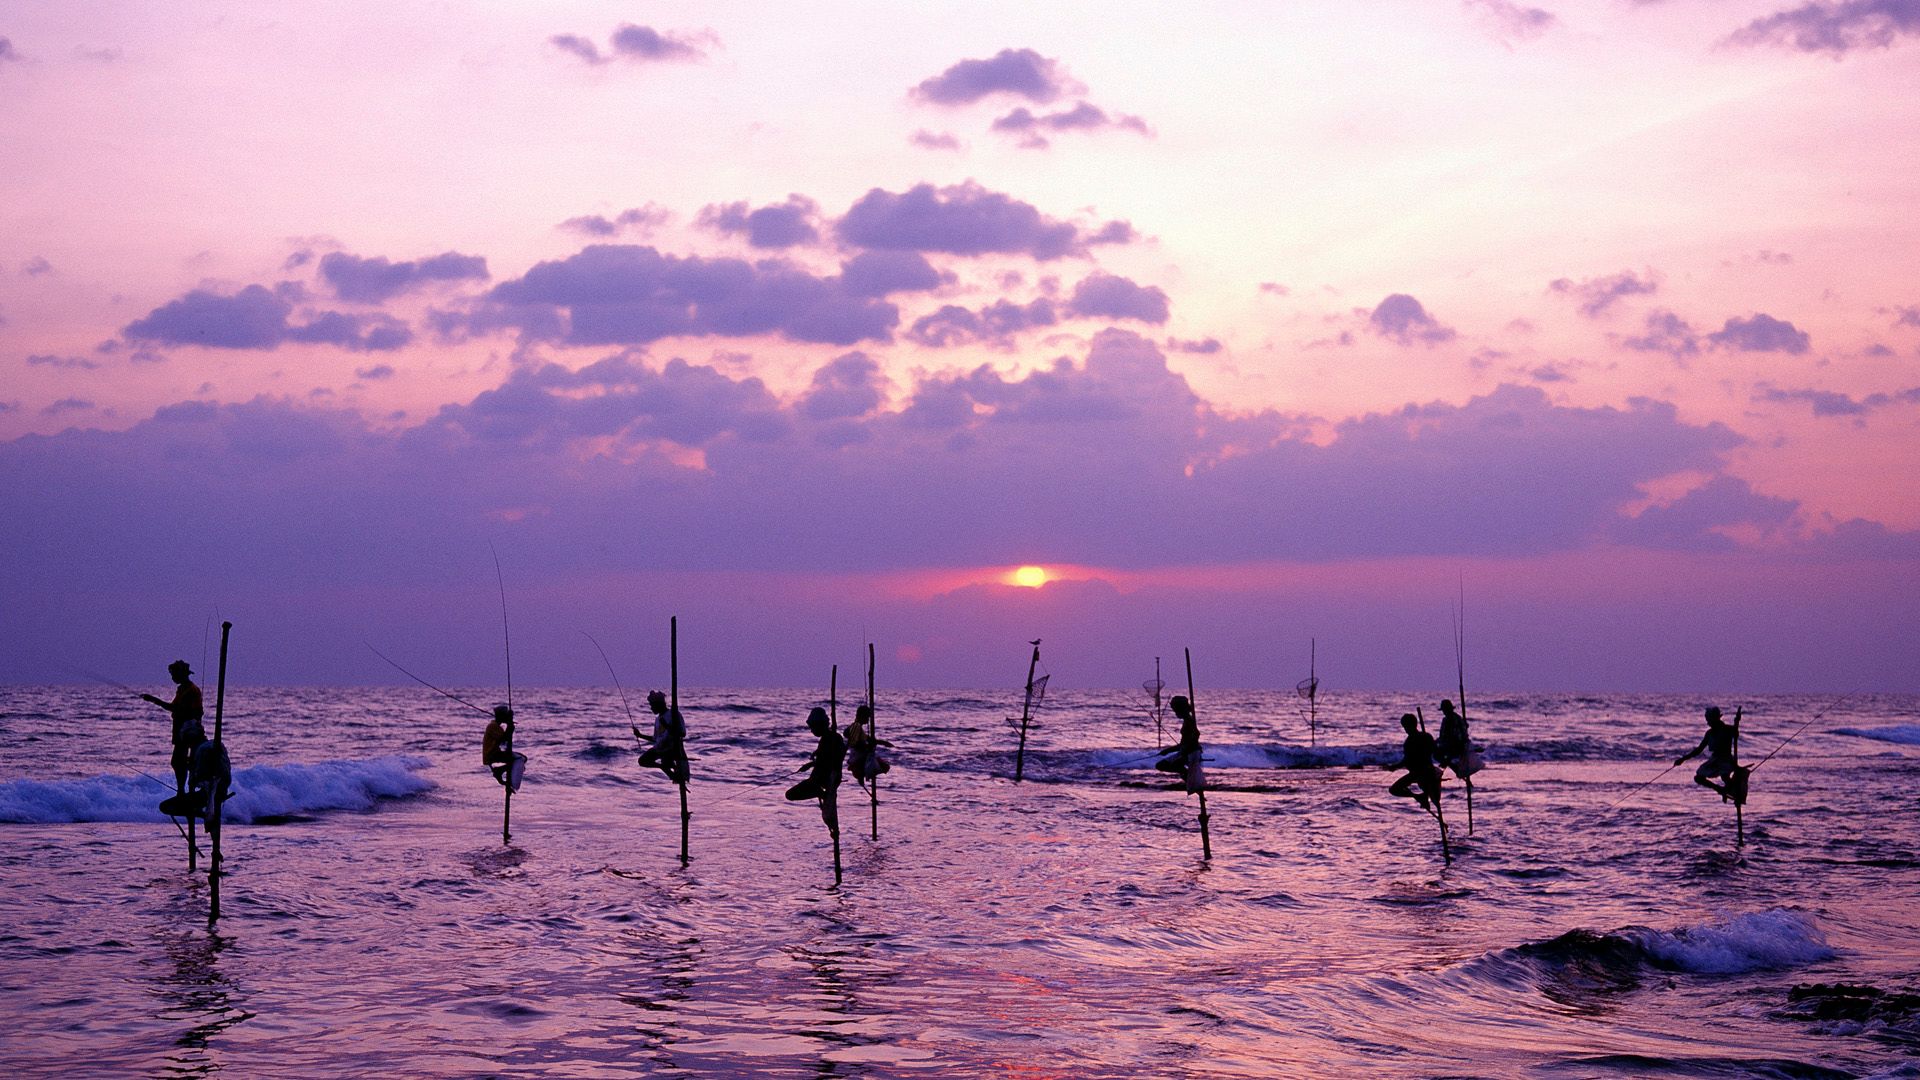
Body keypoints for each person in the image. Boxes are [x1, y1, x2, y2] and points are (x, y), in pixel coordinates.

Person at [141, 660, 205, 792]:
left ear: (182, 674)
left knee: (181, 762)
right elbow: (175, 708)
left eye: (174, 674)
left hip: (189, 732)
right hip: (181, 731)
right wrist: (153, 700)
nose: (172, 677)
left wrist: (154, 700)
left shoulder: (191, 690)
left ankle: (186, 791)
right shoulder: (182, 689)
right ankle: (183, 791)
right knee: (180, 762)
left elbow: (177, 708)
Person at [785, 707, 846, 835]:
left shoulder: (831, 738)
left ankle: (820, 793)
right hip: (822, 779)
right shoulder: (829, 738)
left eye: (813, 727)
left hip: (824, 779)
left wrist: (812, 764)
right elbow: (826, 755)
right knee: (792, 794)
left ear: (821, 725)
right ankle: (820, 793)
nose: (812, 731)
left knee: (790, 794)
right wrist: (815, 758)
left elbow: (831, 760)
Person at [1676, 705, 1745, 803]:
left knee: (1725, 777)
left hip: (1726, 759)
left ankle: (1732, 792)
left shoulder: (1727, 729)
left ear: (1716, 718)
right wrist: (1683, 759)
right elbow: (1699, 750)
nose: (1707, 722)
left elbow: (1736, 735)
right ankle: (1720, 789)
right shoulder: (1709, 733)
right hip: (1715, 760)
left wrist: (1736, 723)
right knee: (1698, 777)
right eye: (1707, 719)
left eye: (1709, 719)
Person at [1388, 713, 1443, 813]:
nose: (1405, 729)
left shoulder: (1409, 742)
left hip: (1418, 773)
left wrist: (1395, 766)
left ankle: (1419, 796)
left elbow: (1406, 760)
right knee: (1432, 795)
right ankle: (1422, 797)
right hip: (1428, 771)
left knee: (1394, 790)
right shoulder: (1426, 736)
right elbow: (1436, 752)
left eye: (1405, 726)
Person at [1155, 695, 1205, 794]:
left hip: (1192, 752)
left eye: (1175, 710)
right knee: (1160, 765)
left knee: (1174, 764)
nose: (1175, 713)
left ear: (1181, 709)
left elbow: (1196, 734)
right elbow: (1183, 744)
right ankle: (1187, 776)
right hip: (1185, 751)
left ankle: (1188, 777)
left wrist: (1186, 747)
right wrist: (1168, 750)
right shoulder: (1186, 720)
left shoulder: (1189, 720)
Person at [637, 690, 689, 785]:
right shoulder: (658, 719)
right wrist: (640, 735)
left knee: (666, 761)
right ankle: (664, 767)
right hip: (659, 748)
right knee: (642, 761)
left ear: (659, 704)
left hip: (671, 749)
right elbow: (655, 738)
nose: (651, 708)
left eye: (652, 705)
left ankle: (672, 772)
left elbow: (682, 733)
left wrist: (667, 726)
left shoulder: (673, 714)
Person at [845, 705, 892, 791]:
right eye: (867, 717)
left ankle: (862, 777)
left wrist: (883, 743)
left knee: (882, 766)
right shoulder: (856, 727)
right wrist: (867, 747)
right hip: (858, 759)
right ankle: (862, 776)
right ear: (862, 716)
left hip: (858, 758)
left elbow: (868, 739)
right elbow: (854, 744)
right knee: (883, 766)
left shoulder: (858, 727)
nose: (868, 720)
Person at [482, 705, 526, 793]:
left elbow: (505, 739)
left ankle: (500, 771)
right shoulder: (493, 726)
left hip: (495, 753)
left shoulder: (496, 726)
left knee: (521, 759)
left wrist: (510, 725)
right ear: (502, 716)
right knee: (519, 759)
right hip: (491, 755)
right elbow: (505, 738)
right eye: (506, 716)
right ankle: (500, 772)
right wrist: (510, 726)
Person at [1435, 699, 1477, 784]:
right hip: (1451, 744)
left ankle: (1454, 768)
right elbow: (1444, 736)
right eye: (1444, 710)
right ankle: (1453, 767)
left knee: (1438, 755)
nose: (1444, 712)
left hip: (1456, 745)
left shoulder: (1453, 719)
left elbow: (1455, 737)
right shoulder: (1451, 719)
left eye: (1445, 710)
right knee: (1436, 753)